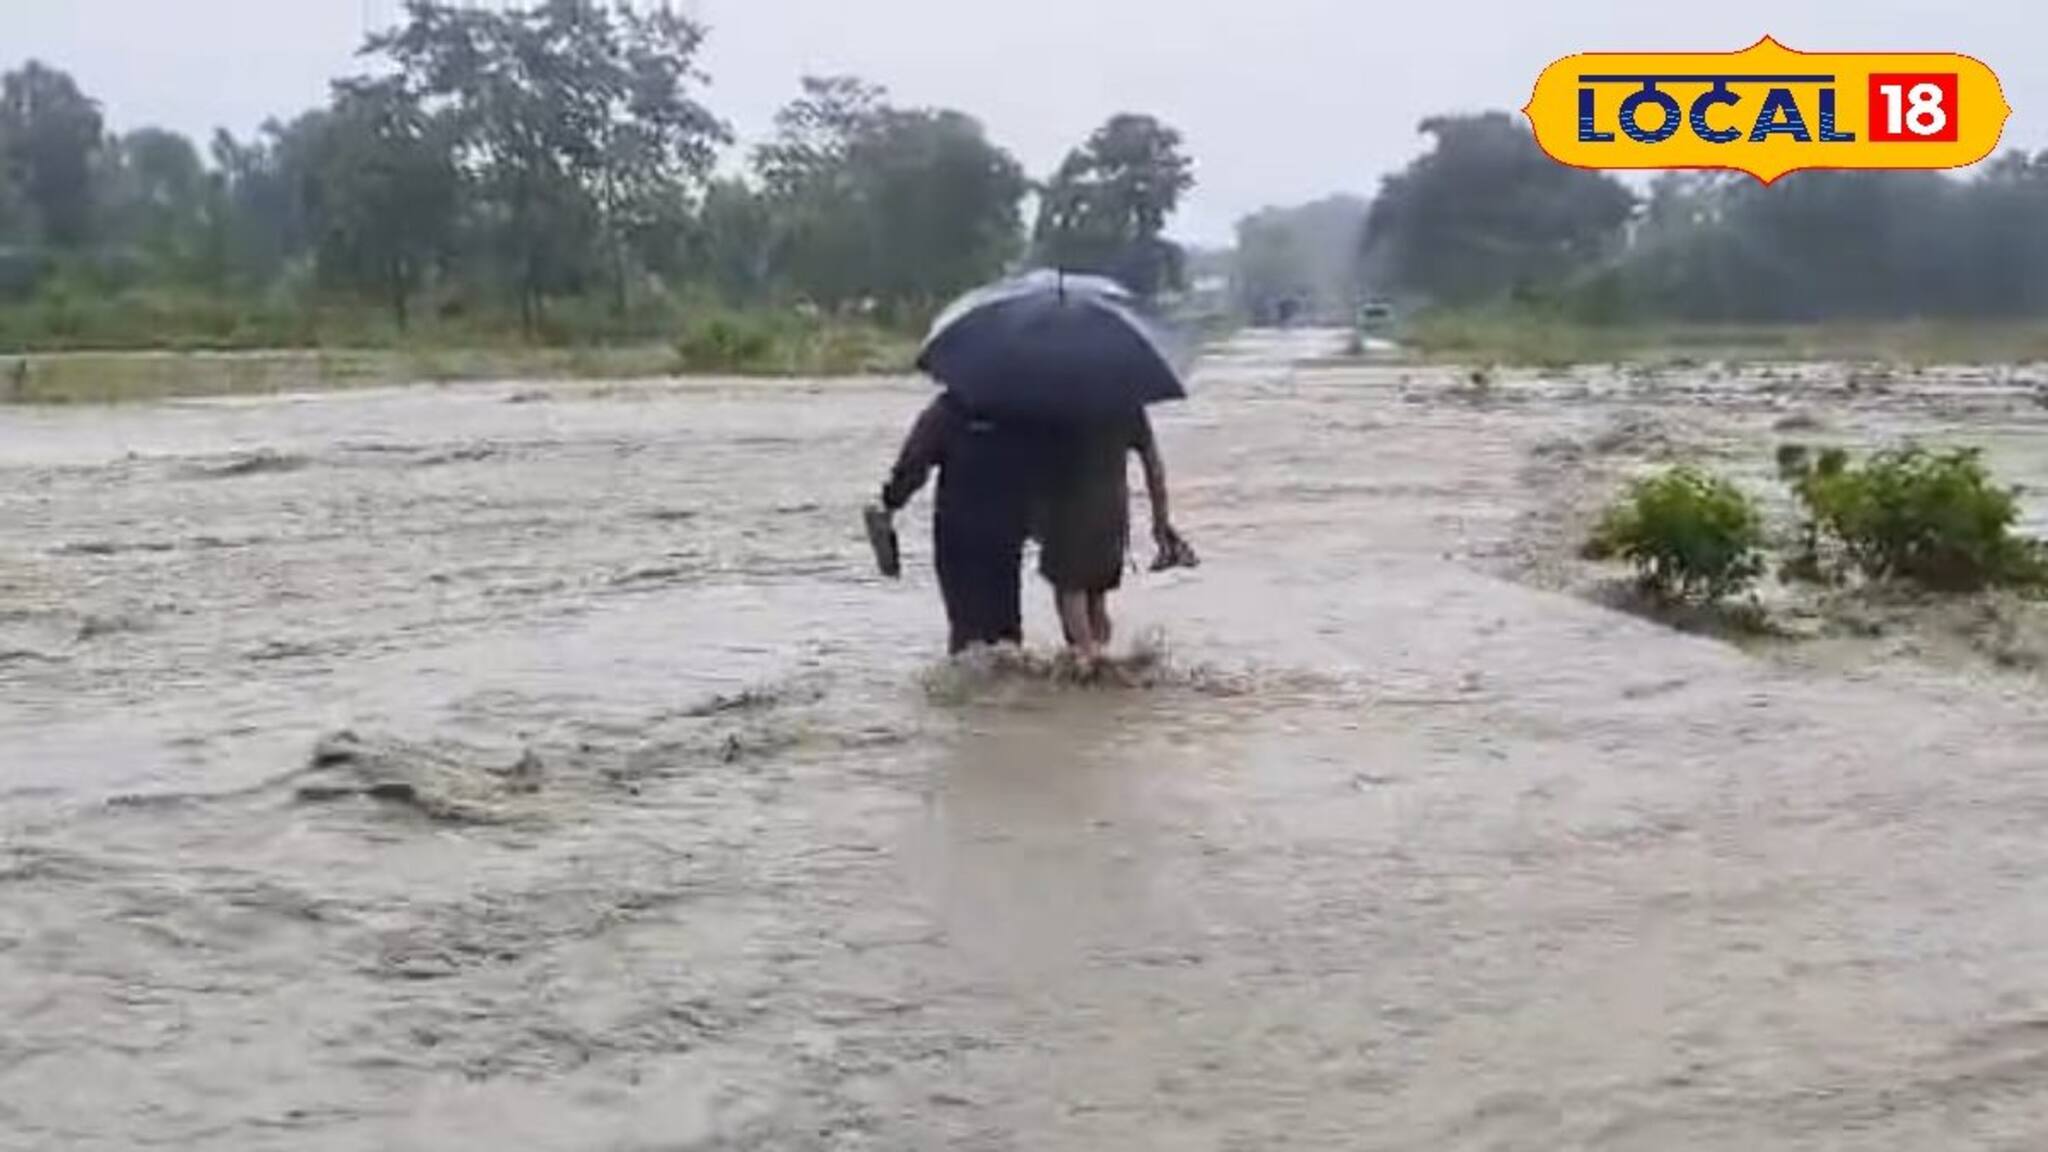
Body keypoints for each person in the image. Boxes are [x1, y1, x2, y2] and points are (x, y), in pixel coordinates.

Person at [869, 390, 1048, 655]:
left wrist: (892, 500)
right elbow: (1042, 463)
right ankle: (1011, 678)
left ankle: (969, 684)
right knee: (1005, 613)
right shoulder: (1019, 411)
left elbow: (915, 462)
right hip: (1008, 522)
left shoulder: (946, 411)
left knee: (964, 619)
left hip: (958, 525)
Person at [1035, 407, 1194, 665]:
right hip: (1112, 510)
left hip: (1065, 506)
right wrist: (1161, 522)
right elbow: (1154, 467)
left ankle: (1087, 655)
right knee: (1096, 592)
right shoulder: (1127, 406)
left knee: (1070, 587)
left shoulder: (1057, 403)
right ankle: (1099, 652)